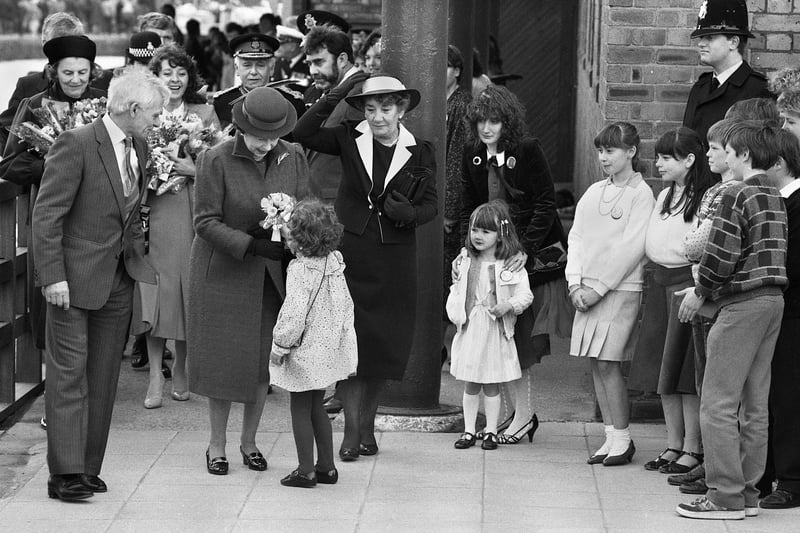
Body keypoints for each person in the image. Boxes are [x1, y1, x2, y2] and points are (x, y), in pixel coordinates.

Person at [31, 68, 166, 501]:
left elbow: (131, 212)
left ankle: (88, 468)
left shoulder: (140, 147)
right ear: (133, 109)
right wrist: (52, 277)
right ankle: (64, 473)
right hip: (70, 282)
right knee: (69, 377)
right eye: (154, 114)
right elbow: (46, 215)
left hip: (118, 280)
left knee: (104, 377)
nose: (157, 122)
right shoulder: (75, 143)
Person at [293, 74, 437, 461]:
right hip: (351, 254)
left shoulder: (420, 150)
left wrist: (410, 215)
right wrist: (338, 92)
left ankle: (367, 428)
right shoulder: (346, 136)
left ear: (402, 109)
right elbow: (301, 131)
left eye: (386, 109)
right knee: (351, 345)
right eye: (370, 109)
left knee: (380, 350)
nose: (377, 118)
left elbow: (432, 206)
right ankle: (352, 433)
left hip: (395, 258)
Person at [188, 87, 310, 476]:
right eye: (259, 139)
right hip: (224, 271)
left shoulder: (293, 156)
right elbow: (204, 221)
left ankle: (250, 442)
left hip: (273, 276)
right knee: (224, 361)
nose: (266, 145)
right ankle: (216, 445)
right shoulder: (215, 159)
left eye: (273, 138)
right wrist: (250, 245)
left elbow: (307, 206)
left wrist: (294, 241)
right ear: (241, 128)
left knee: (262, 363)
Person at [675, 121, 787, 520]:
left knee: (718, 402)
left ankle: (724, 495)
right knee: (754, 405)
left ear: (742, 155)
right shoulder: (774, 194)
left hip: (740, 305)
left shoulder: (736, 194)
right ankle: (749, 494)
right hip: (774, 300)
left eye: (730, 151)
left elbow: (720, 256)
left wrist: (699, 291)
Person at [460, 86, 571, 445]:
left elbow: (544, 203)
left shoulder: (527, 149)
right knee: (499, 339)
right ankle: (517, 414)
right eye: (481, 121)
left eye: (494, 120)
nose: (487, 128)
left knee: (517, 341)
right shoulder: (472, 153)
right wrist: (468, 251)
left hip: (524, 258)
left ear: (507, 122)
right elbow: (469, 208)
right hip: (490, 257)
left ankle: (522, 417)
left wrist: (524, 247)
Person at [0, 35, 107, 350]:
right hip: (51, 214)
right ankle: (51, 364)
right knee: (50, 288)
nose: (76, 80)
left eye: (82, 73)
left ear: (92, 71)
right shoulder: (34, 105)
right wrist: (49, 166)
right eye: (68, 73)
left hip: (97, 216)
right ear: (53, 71)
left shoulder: (107, 102)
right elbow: (9, 163)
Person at [135, 45, 221, 409]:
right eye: (167, 72)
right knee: (158, 290)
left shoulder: (205, 112)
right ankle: (156, 373)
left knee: (188, 288)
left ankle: (182, 367)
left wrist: (191, 168)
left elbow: (219, 166)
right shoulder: (144, 113)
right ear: (155, 77)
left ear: (190, 77)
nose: (174, 79)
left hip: (192, 207)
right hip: (155, 210)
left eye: (181, 72)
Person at [566, 122, 655, 466]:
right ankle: (610, 436)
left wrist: (598, 288)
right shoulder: (593, 192)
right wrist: (575, 283)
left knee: (609, 361)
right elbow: (576, 237)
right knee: (595, 363)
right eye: (600, 150)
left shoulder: (641, 194)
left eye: (611, 150)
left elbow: (632, 248)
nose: (604, 157)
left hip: (618, 288)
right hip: (585, 289)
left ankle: (624, 437)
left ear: (631, 152)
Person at [633, 128, 714, 475]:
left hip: (684, 282)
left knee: (684, 370)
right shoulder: (665, 194)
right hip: (659, 281)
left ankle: (693, 448)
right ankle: (673, 442)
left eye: (667, 158)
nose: (659, 163)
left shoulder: (706, 198)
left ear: (689, 160)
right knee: (661, 368)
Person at [269, 199, 358, 488]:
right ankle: (327, 467)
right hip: (327, 347)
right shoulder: (334, 264)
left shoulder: (300, 270)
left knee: (299, 407)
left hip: (303, 349)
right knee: (317, 405)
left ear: (300, 239)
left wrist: (280, 346)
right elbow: (345, 305)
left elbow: (294, 314)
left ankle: (305, 469)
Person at [448, 201, 532, 450]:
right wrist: (457, 312)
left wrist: (509, 306)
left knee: (492, 382)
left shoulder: (509, 265)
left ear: (500, 235)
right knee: (471, 381)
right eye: (475, 230)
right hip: (473, 328)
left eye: (486, 231)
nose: (478, 236)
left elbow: (524, 295)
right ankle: (469, 430)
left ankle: (492, 430)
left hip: (495, 330)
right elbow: (455, 291)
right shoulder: (464, 262)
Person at [755, 69, 800, 509]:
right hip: (775, 310)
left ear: (779, 166)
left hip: (793, 312)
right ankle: (766, 473)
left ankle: (792, 478)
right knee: (767, 397)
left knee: (788, 397)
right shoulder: (776, 203)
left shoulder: (796, 205)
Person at [682, 0, 772, 145]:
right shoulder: (700, 88)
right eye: (701, 37)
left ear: (734, 42)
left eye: (710, 37)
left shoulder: (759, 90)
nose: (701, 43)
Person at [301, 23, 368, 202]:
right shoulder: (336, 89)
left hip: (340, 205)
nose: (312, 71)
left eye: (319, 62)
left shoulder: (359, 93)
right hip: (319, 202)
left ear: (342, 59)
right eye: (309, 63)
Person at [0, 12, 84, 148]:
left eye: (77, 43)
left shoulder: (99, 85)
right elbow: (4, 132)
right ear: (45, 44)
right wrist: (31, 159)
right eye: (61, 44)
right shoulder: (27, 86)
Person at [442, 45, 472, 364]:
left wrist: (450, 209)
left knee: (448, 278)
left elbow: (456, 160)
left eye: (446, 65)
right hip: (436, 201)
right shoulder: (441, 102)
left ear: (457, 71)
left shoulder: (461, 104)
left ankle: (448, 349)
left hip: (449, 209)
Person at [213, 32, 304, 130]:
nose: (253, 72)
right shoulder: (222, 102)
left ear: (272, 68)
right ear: (236, 68)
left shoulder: (291, 102)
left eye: (261, 65)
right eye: (247, 65)